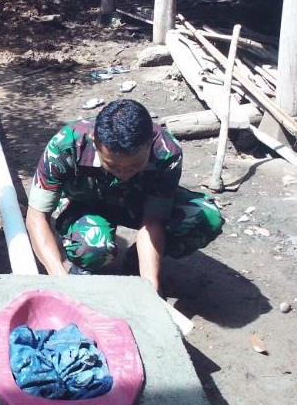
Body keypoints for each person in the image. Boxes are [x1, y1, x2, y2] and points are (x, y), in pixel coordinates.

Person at [25, 99, 224, 296]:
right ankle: (84, 264)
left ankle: (136, 262)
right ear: (95, 141)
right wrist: (59, 277)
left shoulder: (166, 151)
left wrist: (150, 286)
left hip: (136, 203)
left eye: (134, 166)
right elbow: (37, 216)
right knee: (92, 248)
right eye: (113, 165)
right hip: (84, 205)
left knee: (204, 217)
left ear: (149, 143)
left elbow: (153, 220)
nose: (123, 173)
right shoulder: (65, 145)